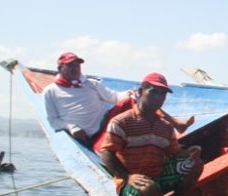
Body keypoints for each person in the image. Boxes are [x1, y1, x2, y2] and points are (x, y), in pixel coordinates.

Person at [43, 52, 193, 149]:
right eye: (70, 65)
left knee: (136, 99)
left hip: (107, 121)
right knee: (107, 150)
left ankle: (174, 126)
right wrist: (71, 127)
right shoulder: (50, 91)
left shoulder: (91, 84)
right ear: (60, 68)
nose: (75, 68)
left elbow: (114, 98)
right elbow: (53, 121)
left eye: (77, 65)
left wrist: (128, 94)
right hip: (89, 135)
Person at [99, 73, 202, 196]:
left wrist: (189, 152)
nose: (158, 97)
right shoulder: (121, 122)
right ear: (141, 92)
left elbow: (174, 153)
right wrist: (127, 177)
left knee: (196, 164)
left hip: (158, 176)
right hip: (131, 181)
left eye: (162, 94)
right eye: (153, 92)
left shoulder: (165, 126)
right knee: (148, 189)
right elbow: (106, 153)